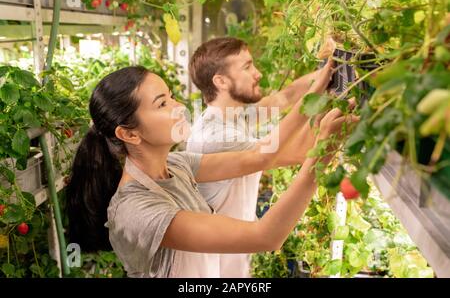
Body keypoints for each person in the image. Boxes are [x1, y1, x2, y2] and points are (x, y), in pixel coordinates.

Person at [66, 66, 357, 278]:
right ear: (129, 134)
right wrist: (322, 154)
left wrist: (319, 102)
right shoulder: (137, 209)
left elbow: (260, 157)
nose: (179, 107)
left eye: (171, 96)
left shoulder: (178, 166)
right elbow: (266, 236)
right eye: (162, 104)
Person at [186, 37, 334, 277]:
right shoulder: (217, 136)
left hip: (233, 260)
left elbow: (284, 98)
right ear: (221, 81)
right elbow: (301, 150)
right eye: (247, 67)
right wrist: (325, 92)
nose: (257, 74)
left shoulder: (232, 116)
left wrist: (328, 70)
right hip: (215, 271)